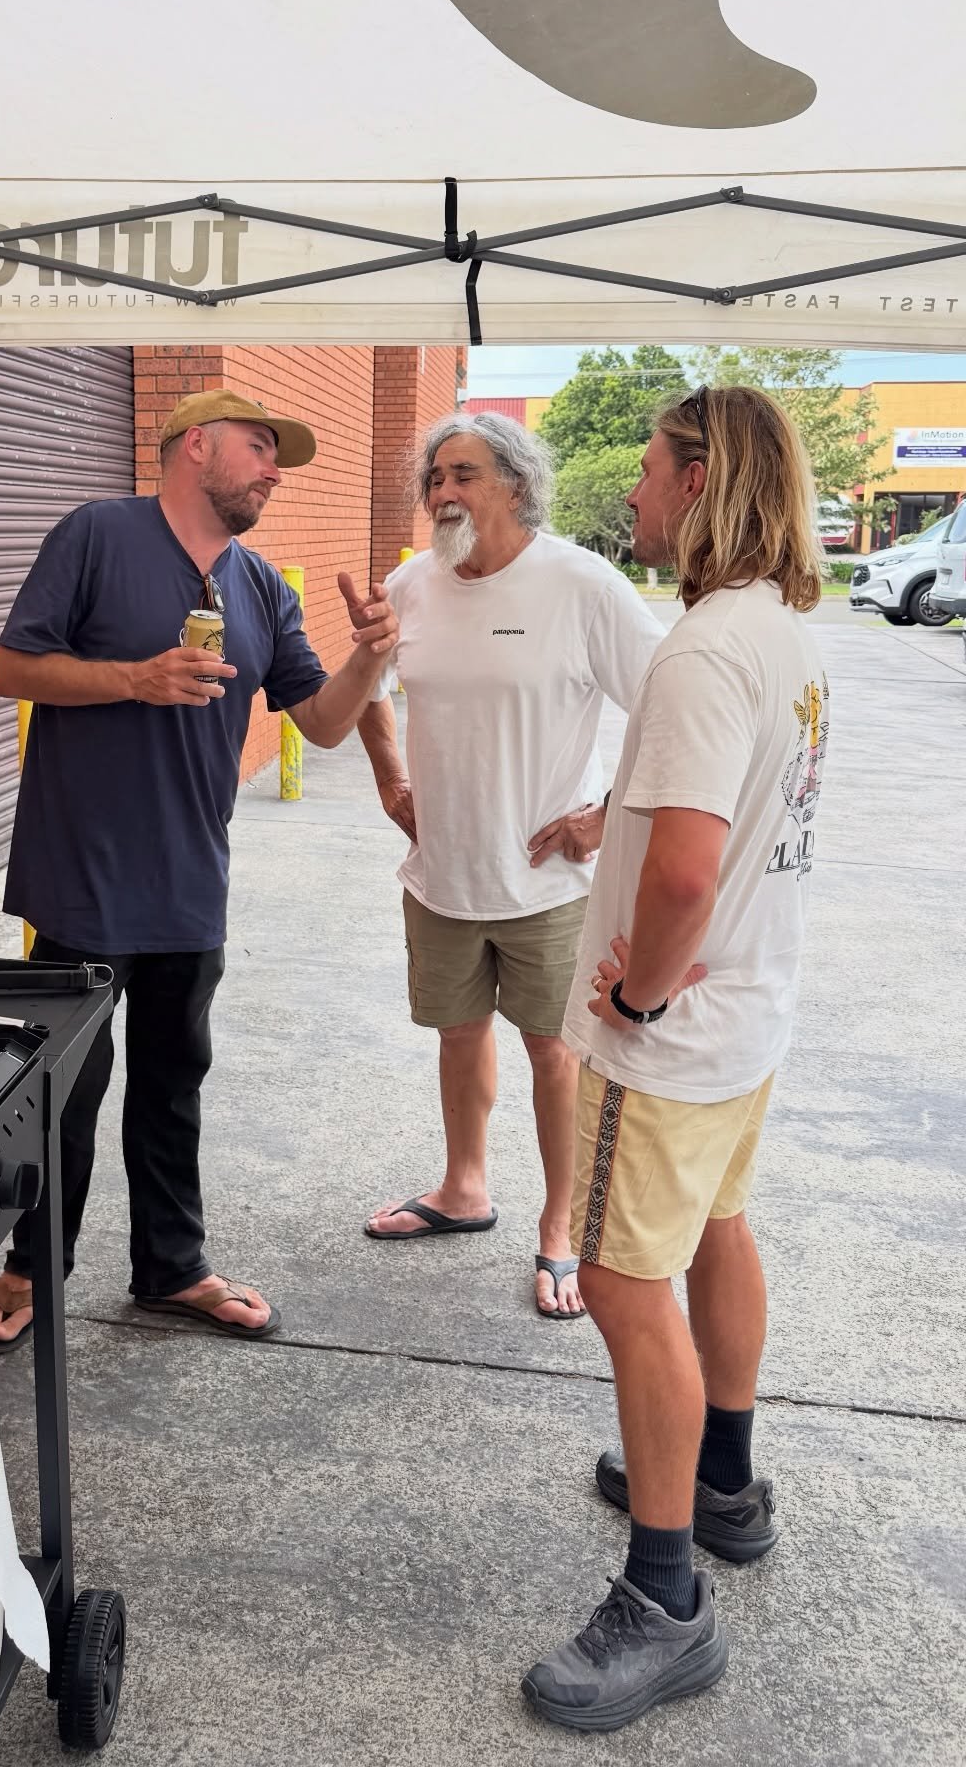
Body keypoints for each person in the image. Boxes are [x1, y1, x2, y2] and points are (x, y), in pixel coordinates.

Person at [0, 388, 399, 1354]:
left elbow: (321, 721)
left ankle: (172, 1266)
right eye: (259, 446)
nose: (274, 469)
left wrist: (372, 660)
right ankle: (37, 1265)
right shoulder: (95, 534)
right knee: (65, 1088)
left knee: (172, 1083)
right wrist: (134, 676)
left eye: (277, 455)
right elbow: (11, 667)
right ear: (194, 445)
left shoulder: (259, 588)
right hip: (79, 874)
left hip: (190, 881)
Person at [522, 385, 828, 1732]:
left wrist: (635, 999)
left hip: (676, 1038)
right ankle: (726, 1485)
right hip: (752, 1016)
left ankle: (666, 1601)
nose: (634, 496)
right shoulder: (791, 633)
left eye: (649, 473)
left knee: (620, 1280)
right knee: (719, 1228)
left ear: (705, 483)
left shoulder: (702, 649)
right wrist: (610, 836)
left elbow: (693, 868)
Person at [358, 411, 662, 1317]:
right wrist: (390, 777)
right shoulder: (411, 585)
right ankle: (464, 1188)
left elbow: (670, 707)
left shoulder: (581, 583)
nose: (443, 493)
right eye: (435, 478)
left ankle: (560, 1228)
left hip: (547, 883)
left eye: (465, 475)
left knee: (554, 1051)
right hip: (442, 873)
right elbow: (370, 690)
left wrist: (603, 819)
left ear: (519, 484)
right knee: (458, 1035)